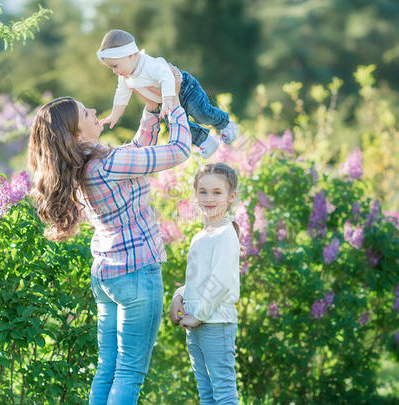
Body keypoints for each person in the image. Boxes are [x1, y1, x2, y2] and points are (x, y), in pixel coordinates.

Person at [27, 89, 192, 404]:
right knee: (129, 374)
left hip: (107, 274)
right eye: (85, 113)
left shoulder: (80, 166)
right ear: (76, 135)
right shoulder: (109, 163)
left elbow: (135, 153)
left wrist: (152, 110)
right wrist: (173, 103)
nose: (93, 110)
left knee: (108, 369)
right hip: (137, 273)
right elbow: (180, 150)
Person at [97, 29, 238, 159]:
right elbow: (121, 95)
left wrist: (167, 100)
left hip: (184, 89)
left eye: (115, 66)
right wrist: (114, 115)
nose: (114, 71)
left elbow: (167, 77)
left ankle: (225, 123)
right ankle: (206, 141)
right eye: (111, 68)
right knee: (174, 125)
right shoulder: (125, 77)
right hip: (164, 102)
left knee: (201, 114)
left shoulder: (149, 64)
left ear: (131, 55)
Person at [169, 163, 241, 404]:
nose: (209, 198)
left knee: (223, 392)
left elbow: (219, 281)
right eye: (203, 191)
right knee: (207, 393)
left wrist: (198, 315)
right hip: (197, 322)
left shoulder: (226, 234)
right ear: (195, 194)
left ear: (231, 197)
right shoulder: (201, 236)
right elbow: (198, 279)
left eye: (217, 192)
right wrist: (179, 296)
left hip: (215, 323)